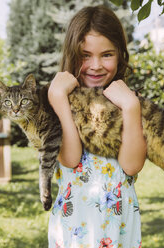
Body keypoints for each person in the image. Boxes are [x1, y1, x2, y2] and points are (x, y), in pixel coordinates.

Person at [47, 5, 147, 248]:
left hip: (119, 228)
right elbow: (71, 159)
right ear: (72, 53)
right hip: (75, 229)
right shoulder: (61, 101)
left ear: (120, 54)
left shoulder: (127, 101)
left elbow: (131, 166)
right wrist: (57, 97)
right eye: (85, 55)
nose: (95, 65)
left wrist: (132, 107)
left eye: (107, 54)